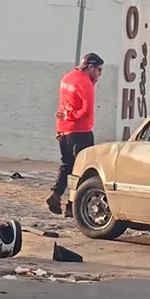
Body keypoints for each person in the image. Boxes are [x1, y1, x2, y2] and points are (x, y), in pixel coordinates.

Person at [46, 52, 104, 216]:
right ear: (90, 67)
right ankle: (72, 206)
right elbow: (86, 110)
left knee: (67, 164)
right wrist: (73, 116)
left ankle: (56, 195)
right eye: (99, 70)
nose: (100, 74)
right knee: (83, 169)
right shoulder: (85, 83)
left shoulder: (67, 77)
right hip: (80, 131)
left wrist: (66, 116)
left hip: (63, 129)